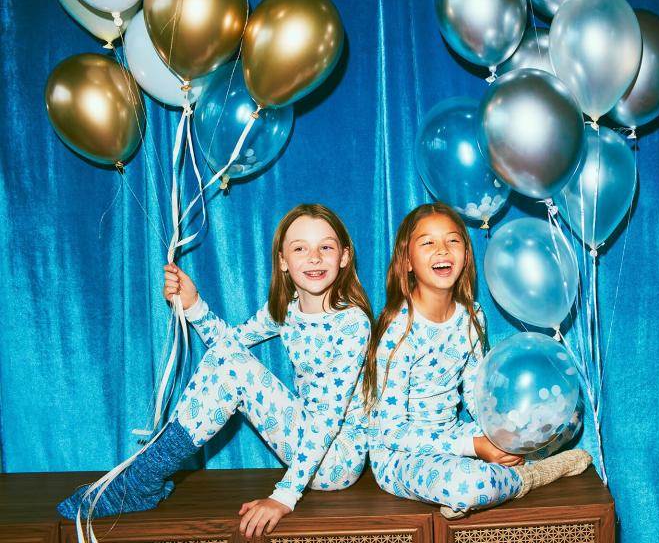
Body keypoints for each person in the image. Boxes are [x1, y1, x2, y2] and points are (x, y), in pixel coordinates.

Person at [58, 204, 372, 538]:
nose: (314, 257)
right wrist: (194, 305)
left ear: (344, 256)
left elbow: (326, 417)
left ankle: (142, 479)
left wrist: (284, 495)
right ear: (282, 261)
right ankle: (144, 476)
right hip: (306, 449)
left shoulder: (351, 323)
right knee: (229, 360)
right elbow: (228, 348)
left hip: (335, 460)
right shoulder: (287, 308)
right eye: (300, 248)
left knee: (234, 367)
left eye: (326, 247)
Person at [364, 202, 591, 520]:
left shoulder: (471, 315)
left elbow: (475, 393)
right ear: (407, 262)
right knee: (470, 484)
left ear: (466, 255)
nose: (442, 249)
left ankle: (502, 471)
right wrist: (477, 447)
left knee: (568, 418)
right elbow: (390, 432)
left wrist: (503, 436)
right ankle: (531, 476)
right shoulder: (397, 330)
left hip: (455, 435)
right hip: (402, 455)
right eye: (428, 242)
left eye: (453, 240)